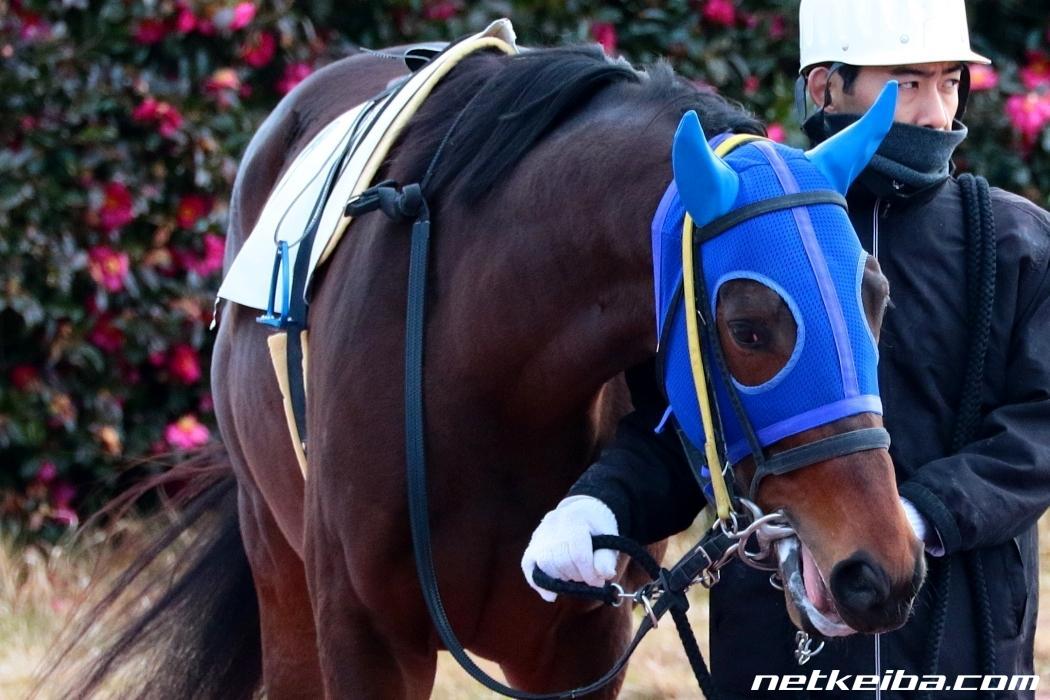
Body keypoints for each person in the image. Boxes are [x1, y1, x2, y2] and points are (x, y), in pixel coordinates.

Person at [521, 0, 1050, 697]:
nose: (935, 112)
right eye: (907, 83)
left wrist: (922, 514)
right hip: (777, 651)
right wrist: (601, 506)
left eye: (950, 82)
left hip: (960, 643)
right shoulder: (741, 237)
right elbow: (689, 426)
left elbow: (1039, 429)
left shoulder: (1015, 243)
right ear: (825, 87)